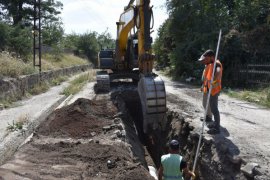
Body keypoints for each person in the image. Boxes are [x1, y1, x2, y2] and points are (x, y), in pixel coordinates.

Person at [198, 49, 223, 134]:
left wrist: (215, 80)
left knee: (214, 109)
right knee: (211, 107)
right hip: (209, 89)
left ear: (211, 57)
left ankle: (217, 128)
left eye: (206, 59)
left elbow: (219, 72)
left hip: (214, 90)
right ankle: (212, 121)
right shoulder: (210, 64)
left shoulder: (217, 64)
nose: (204, 61)